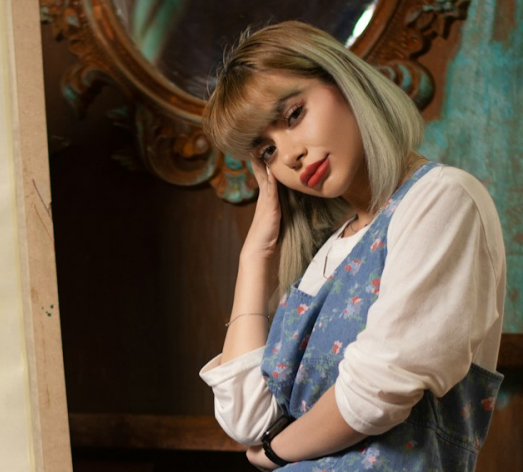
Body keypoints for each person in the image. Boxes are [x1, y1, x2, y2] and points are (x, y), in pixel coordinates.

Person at [198, 21, 506, 471]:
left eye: (294, 115)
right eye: (267, 151)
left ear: (344, 82)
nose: (290, 155)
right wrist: (254, 259)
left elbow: (376, 393)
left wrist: (276, 452)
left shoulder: (441, 199)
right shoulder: (328, 254)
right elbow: (249, 419)